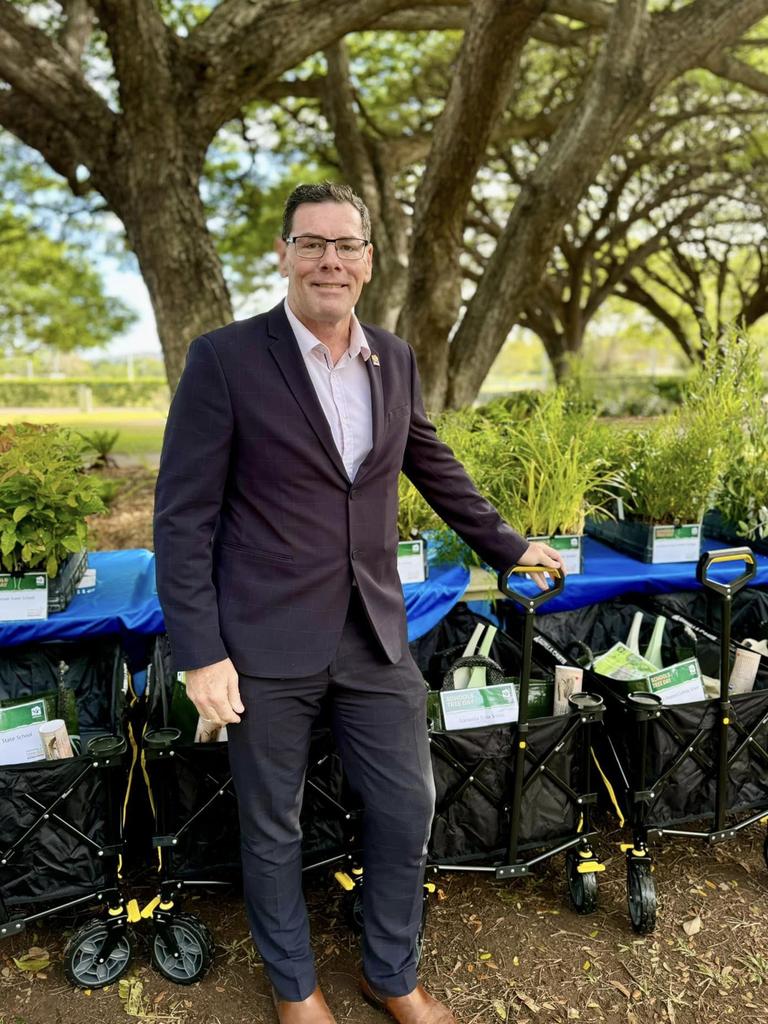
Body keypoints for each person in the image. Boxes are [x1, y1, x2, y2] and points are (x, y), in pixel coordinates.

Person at [154, 182, 565, 1024]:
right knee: (274, 825)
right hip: (262, 638)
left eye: (346, 246)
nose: (329, 261)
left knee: (406, 804)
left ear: (369, 260)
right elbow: (182, 517)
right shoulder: (224, 359)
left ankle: (389, 972)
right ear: (283, 253)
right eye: (312, 244)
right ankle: (296, 988)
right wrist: (201, 651)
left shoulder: (393, 357)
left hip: (375, 631)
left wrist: (507, 544)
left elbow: (429, 459)